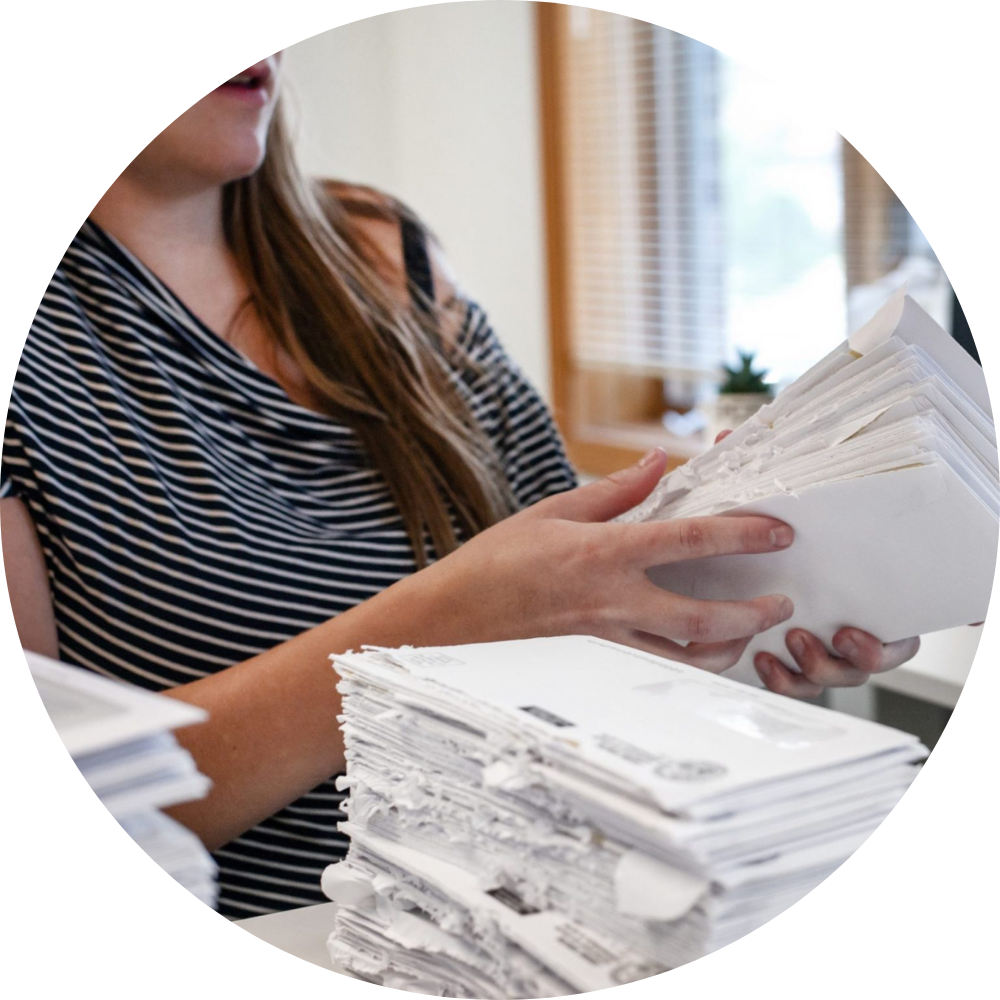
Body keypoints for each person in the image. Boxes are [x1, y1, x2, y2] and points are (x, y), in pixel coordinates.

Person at [0, 54, 919, 919]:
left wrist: (728, 626)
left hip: (544, 920)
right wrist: (442, 621)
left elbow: (578, 633)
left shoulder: (388, 256)